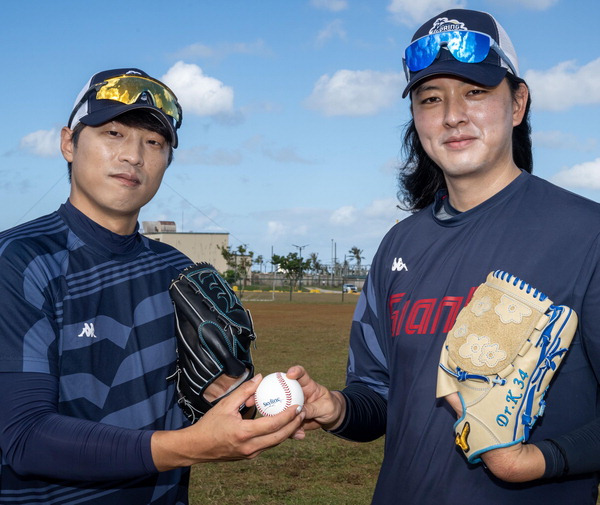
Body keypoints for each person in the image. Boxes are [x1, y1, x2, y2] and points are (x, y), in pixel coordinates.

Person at [288, 8, 600, 504]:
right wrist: (336, 408)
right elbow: (381, 396)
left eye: (475, 92)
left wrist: (537, 461)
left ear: (517, 103)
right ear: (415, 116)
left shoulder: (586, 234)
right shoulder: (399, 244)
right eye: (431, 98)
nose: (453, 114)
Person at [0, 68, 305, 505]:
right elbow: (26, 437)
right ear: (69, 142)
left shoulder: (178, 271)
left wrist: (242, 394)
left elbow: (206, 398)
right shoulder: (19, 260)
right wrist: (191, 445)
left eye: (153, 143)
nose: (133, 157)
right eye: (113, 133)